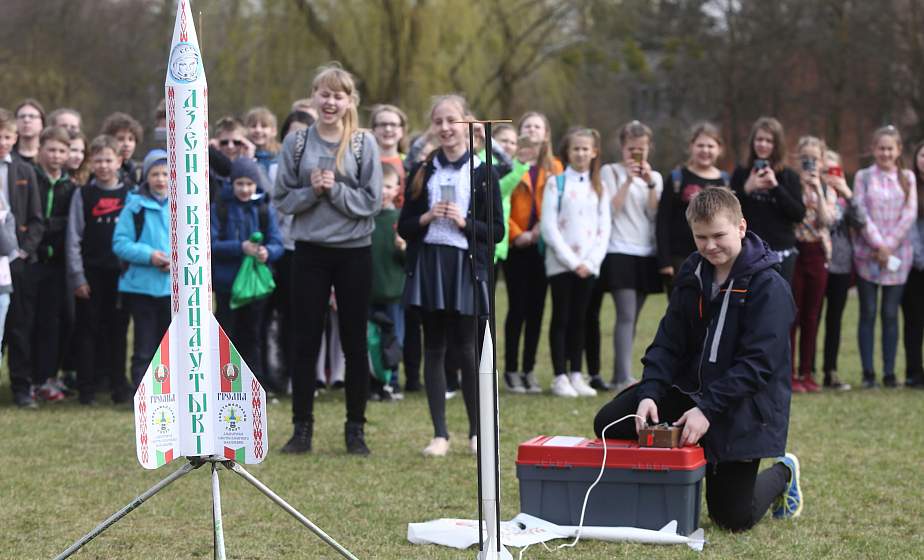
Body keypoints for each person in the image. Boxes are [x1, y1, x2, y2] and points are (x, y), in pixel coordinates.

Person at [593, 186, 802, 532]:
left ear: (741, 227)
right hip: (689, 391)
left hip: (741, 406)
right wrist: (650, 392)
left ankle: (784, 472)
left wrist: (707, 409)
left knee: (733, 519)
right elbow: (668, 341)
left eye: (719, 235)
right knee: (611, 423)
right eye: (700, 237)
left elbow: (757, 366)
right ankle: (674, 476)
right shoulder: (693, 271)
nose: (709, 246)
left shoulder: (769, 286)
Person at [273, 64, 382, 456]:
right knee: (305, 341)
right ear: (313, 97)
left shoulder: (362, 144)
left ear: (349, 101)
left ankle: (356, 429)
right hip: (309, 252)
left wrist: (334, 191)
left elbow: (371, 203)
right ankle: (301, 429)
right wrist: (311, 192)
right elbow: (282, 198)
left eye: (338, 96)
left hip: (354, 252)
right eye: (324, 94)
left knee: (354, 342)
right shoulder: (297, 143)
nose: (330, 102)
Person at [399, 94, 503, 456]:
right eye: (438, 121)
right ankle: (440, 434)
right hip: (429, 264)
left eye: (452, 121)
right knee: (435, 347)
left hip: (465, 266)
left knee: (467, 348)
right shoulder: (423, 170)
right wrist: (427, 218)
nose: (445, 128)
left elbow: (496, 231)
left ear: (467, 123)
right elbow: (405, 225)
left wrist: (464, 221)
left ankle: (477, 433)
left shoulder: (484, 171)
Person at [586, 120, 662, 393]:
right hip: (618, 250)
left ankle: (624, 372)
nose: (635, 154)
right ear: (622, 147)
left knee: (634, 318)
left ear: (649, 148)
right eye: (631, 149)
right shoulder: (610, 172)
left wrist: (650, 184)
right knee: (625, 315)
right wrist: (629, 181)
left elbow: (654, 215)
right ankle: (621, 377)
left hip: (646, 252)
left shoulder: (656, 178)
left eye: (641, 149)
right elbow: (609, 211)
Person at [7, 127, 77, 403]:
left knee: (51, 323)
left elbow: (70, 224)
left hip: (56, 264)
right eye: (52, 149)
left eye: (62, 151)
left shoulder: (70, 186)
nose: (57, 156)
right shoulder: (29, 176)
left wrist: (51, 227)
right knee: (25, 323)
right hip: (30, 261)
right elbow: (29, 218)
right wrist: (48, 228)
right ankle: (23, 380)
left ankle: (44, 378)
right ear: (40, 150)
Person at [542, 127, 610, 398]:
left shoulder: (599, 187)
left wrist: (591, 262)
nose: (581, 153)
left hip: (589, 265)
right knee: (562, 316)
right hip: (561, 264)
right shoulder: (554, 183)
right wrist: (571, 261)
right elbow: (549, 227)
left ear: (594, 152)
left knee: (581, 319)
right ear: (567, 152)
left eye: (586, 149)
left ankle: (576, 373)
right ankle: (560, 375)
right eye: (576, 149)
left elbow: (604, 227)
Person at [66, 135, 131, 405]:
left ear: (119, 161)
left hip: (121, 274)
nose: (104, 165)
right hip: (91, 274)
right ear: (91, 163)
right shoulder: (83, 194)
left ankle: (118, 386)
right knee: (87, 331)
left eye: (109, 160)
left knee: (118, 332)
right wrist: (77, 276)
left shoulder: (130, 194)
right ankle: (87, 389)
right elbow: (73, 238)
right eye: (99, 160)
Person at [852, 126, 917, 389]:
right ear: (874, 149)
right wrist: (878, 244)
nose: (885, 153)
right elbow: (859, 212)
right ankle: (868, 372)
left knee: (890, 314)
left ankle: (889, 372)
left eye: (890, 148)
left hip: (897, 256)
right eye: (881, 148)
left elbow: (910, 213)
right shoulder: (863, 177)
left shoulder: (908, 178)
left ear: (898, 150)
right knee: (867, 312)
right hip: (868, 254)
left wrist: (889, 246)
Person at [503, 111, 563, 394]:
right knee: (517, 309)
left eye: (537, 126)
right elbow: (501, 202)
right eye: (526, 125)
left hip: (544, 246)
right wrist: (518, 234)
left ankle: (529, 370)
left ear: (546, 134)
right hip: (517, 245)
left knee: (538, 310)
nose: (532, 130)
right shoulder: (510, 165)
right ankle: (511, 370)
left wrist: (543, 229)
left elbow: (564, 205)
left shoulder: (556, 167)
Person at [212, 157, 284, 390]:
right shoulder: (220, 208)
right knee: (227, 337)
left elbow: (277, 242)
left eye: (249, 184)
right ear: (232, 183)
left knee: (253, 336)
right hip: (227, 285)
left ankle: (255, 384)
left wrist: (267, 252)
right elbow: (210, 243)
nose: (244, 189)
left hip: (256, 287)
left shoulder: (264, 208)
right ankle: (223, 385)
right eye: (240, 183)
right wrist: (239, 247)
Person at [112, 149, 171, 388]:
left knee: (167, 345)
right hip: (141, 288)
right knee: (144, 345)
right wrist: (150, 256)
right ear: (145, 176)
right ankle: (142, 390)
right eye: (155, 173)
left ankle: (167, 391)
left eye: (166, 174)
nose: (160, 179)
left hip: (171, 289)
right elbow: (120, 243)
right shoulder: (134, 207)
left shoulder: (182, 206)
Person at [0, 109, 44, 408]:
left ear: (15, 138)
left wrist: (23, 252)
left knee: (18, 325)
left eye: (6, 136)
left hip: (15, 261)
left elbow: (37, 218)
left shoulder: (24, 171)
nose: (2, 141)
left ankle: (21, 387)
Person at [656, 122, 729, 293]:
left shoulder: (725, 181)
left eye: (710, 146)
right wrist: (664, 261)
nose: (705, 150)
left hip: (715, 256)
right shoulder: (677, 178)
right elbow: (663, 220)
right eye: (700, 145)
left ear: (719, 149)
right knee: (682, 310)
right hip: (680, 257)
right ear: (691, 147)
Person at [730, 117, 805, 283]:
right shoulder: (741, 173)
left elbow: (798, 214)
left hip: (781, 251)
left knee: (777, 301)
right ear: (752, 142)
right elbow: (729, 213)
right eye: (759, 139)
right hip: (748, 249)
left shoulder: (788, 175)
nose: (763, 144)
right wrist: (746, 189)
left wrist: (776, 187)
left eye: (769, 141)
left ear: (776, 145)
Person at [789, 137, 837, 393]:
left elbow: (827, 220)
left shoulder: (828, 189)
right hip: (796, 251)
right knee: (792, 315)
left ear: (822, 160)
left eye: (815, 158)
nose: (810, 163)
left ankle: (807, 371)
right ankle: (790, 373)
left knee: (811, 315)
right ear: (798, 159)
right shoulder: (791, 185)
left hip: (818, 252)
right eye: (805, 158)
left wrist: (817, 189)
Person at [819, 149, 862, 391]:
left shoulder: (846, 200)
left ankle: (831, 371)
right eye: (825, 171)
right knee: (810, 319)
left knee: (834, 320)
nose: (830, 175)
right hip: (816, 261)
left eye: (834, 170)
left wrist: (847, 192)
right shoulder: (814, 195)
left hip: (841, 264)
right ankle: (806, 371)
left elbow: (861, 222)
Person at [369, 164, 406, 399]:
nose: (383, 191)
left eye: (388, 186)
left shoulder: (399, 219)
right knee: (371, 339)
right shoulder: (365, 219)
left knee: (395, 338)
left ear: (397, 189)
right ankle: (375, 382)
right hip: (369, 291)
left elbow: (407, 259)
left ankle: (392, 381)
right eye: (379, 186)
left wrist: (403, 248)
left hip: (394, 291)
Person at [902, 141, 924, 389]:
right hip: (914, 265)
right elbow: (909, 226)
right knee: (914, 321)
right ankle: (914, 371)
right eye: (923, 155)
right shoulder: (909, 186)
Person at [369, 104, 407, 206]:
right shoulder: (364, 161)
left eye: (393, 124)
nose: (388, 129)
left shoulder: (409, 163)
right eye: (382, 124)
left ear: (402, 131)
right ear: (373, 130)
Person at [100, 112, 144, 187]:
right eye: (120, 139)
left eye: (131, 139)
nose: (126, 144)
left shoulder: (138, 171)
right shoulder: (102, 169)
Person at [244, 106, 280, 182]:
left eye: (264, 126)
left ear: (274, 131)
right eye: (253, 126)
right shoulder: (241, 156)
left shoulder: (282, 156)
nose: (258, 130)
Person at [13, 99, 45, 164]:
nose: (26, 120)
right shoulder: (5, 154)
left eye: (32, 116)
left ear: (42, 123)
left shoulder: (50, 155)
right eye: (22, 116)